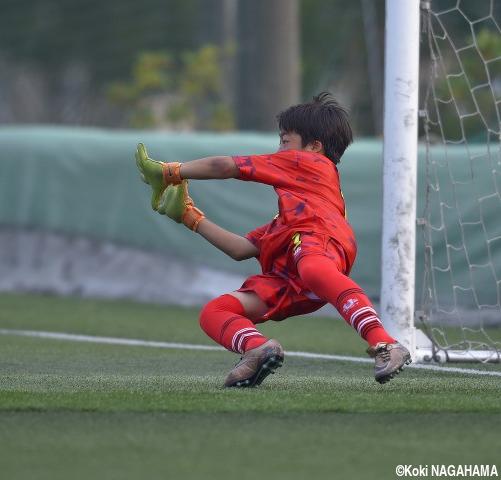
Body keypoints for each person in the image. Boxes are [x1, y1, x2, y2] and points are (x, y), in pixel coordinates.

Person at [135, 92, 411, 387]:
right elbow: (241, 249)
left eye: (284, 141)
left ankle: (385, 343)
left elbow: (223, 166)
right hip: (298, 274)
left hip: (319, 245)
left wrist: (169, 172)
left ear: (313, 148)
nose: (279, 150)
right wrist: (191, 218)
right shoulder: (290, 220)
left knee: (313, 266)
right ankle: (256, 349)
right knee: (214, 311)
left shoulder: (309, 164)